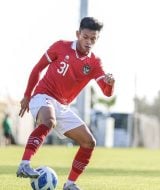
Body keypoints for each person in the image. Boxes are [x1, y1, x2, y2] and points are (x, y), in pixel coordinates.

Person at [16, 17, 115, 190]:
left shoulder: (94, 63)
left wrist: (111, 84)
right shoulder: (60, 46)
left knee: (89, 142)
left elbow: (107, 93)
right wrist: (27, 95)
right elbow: (38, 68)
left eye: (93, 39)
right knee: (49, 121)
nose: (89, 42)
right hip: (42, 95)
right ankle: (24, 163)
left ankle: (70, 184)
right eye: (85, 37)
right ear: (78, 34)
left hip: (62, 106)